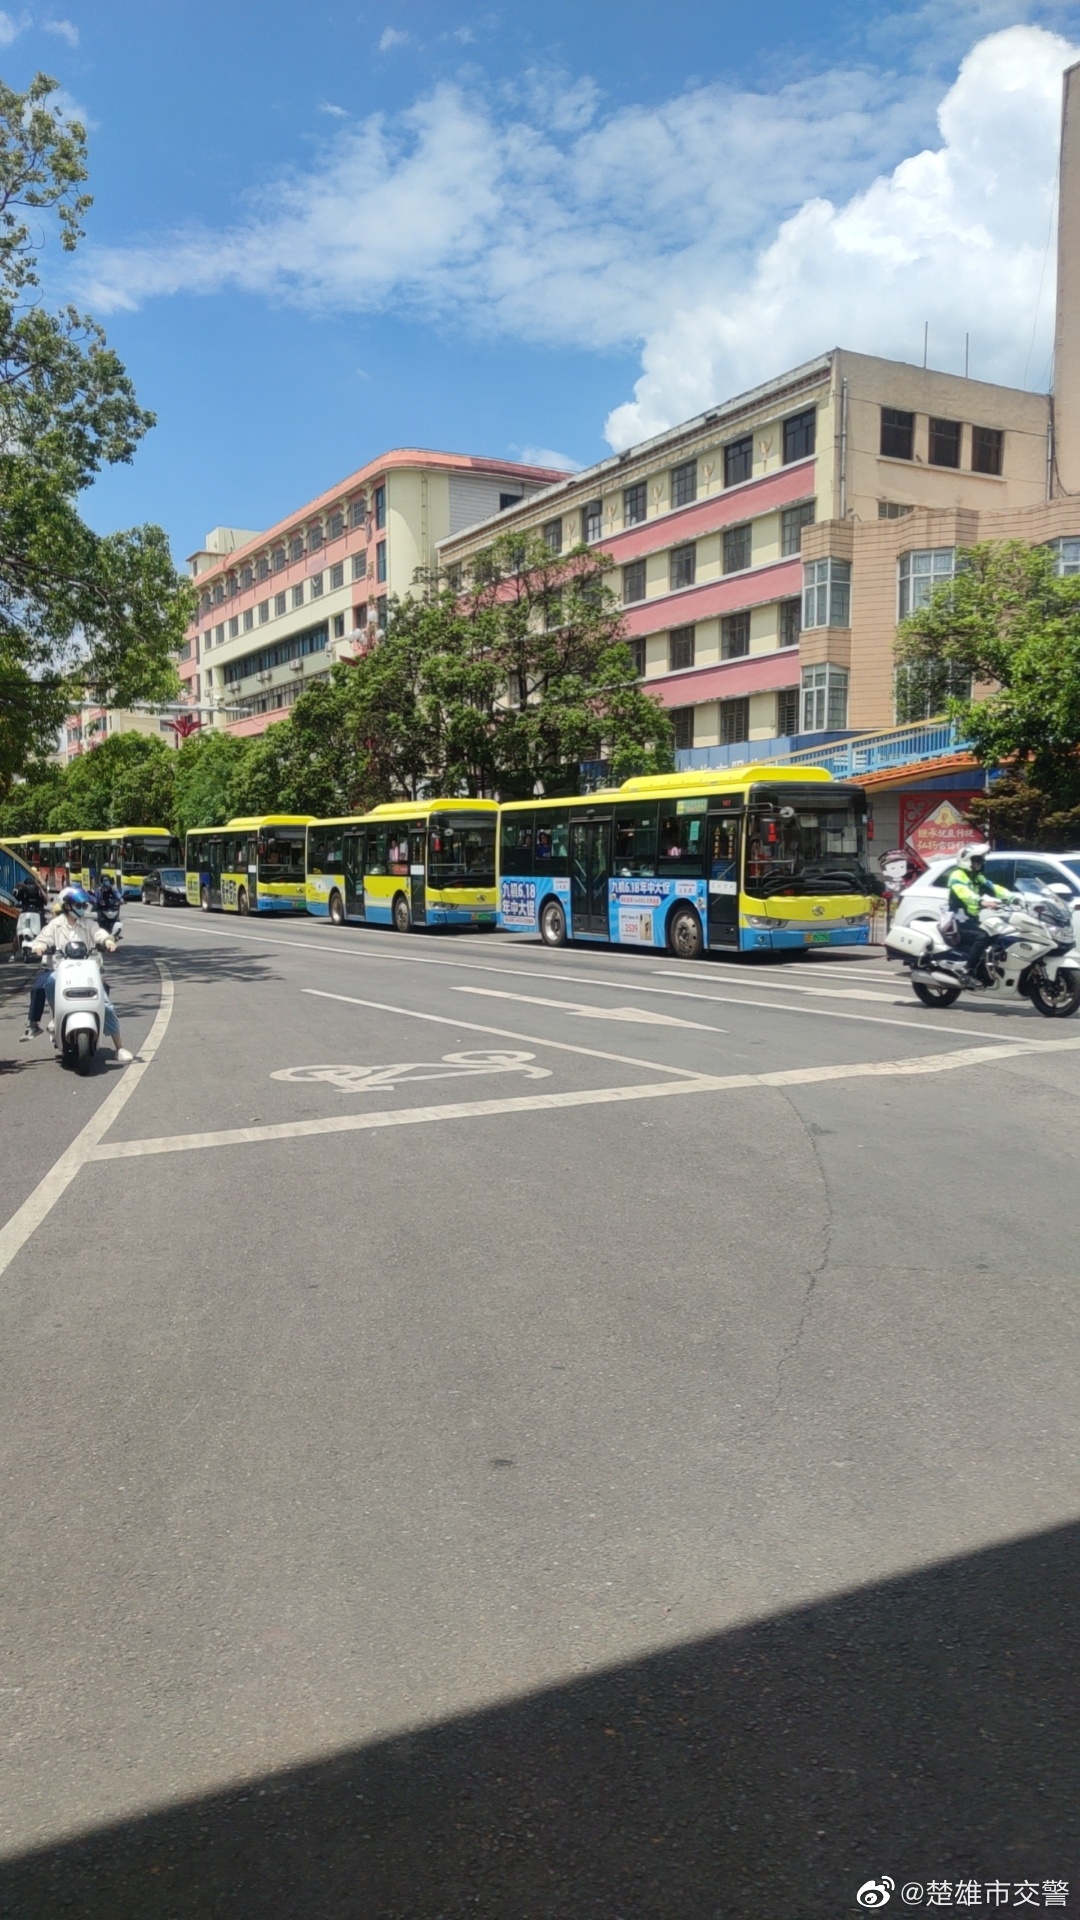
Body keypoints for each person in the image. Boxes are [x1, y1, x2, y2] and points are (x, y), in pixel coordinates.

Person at [21, 885, 133, 1062]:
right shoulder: (55, 926)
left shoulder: (88, 924)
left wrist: (109, 941)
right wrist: (39, 947)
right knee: (49, 981)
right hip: (60, 971)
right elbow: (40, 940)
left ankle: (119, 1047)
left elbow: (101, 935)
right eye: (79, 905)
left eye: (84, 905)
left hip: (86, 971)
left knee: (106, 1004)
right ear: (67, 906)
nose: (83, 908)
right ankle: (55, 1015)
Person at [945, 842, 1012, 982]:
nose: (980, 863)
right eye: (977, 860)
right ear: (967, 860)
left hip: (971, 919)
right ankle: (967, 972)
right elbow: (964, 893)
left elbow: (994, 888)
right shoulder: (957, 876)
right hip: (958, 921)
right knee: (981, 937)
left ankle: (985, 971)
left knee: (997, 935)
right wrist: (982, 902)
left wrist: (1013, 898)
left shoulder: (976, 877)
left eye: (981, 860)